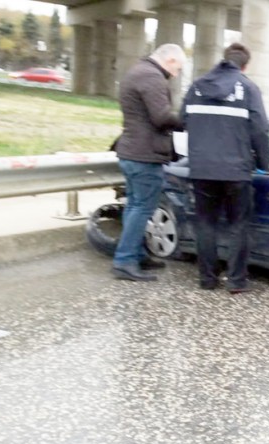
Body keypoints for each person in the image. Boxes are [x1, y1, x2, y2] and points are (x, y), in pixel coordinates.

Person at [180, 43, 269, 293]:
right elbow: (260, 130)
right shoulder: (249, 89)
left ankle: (207, 279)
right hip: (236, 171)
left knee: (205, 224)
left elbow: (183, 121)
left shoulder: (197, 87)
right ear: (245, 65)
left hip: (201, 170)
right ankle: (236, 281)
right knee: (238, 225)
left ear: (224, 60)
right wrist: (264, 163)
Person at [111, 43, 185, 281]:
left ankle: (136, 254)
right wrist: (188, 121)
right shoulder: (152, 77)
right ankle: (125, 261)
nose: (176, 73)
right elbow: (162, 117)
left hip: (131, 152)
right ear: (170, 60)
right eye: (178, 68)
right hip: (144, 155)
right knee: (142, 208)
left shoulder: (138, 71)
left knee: (134, 206)